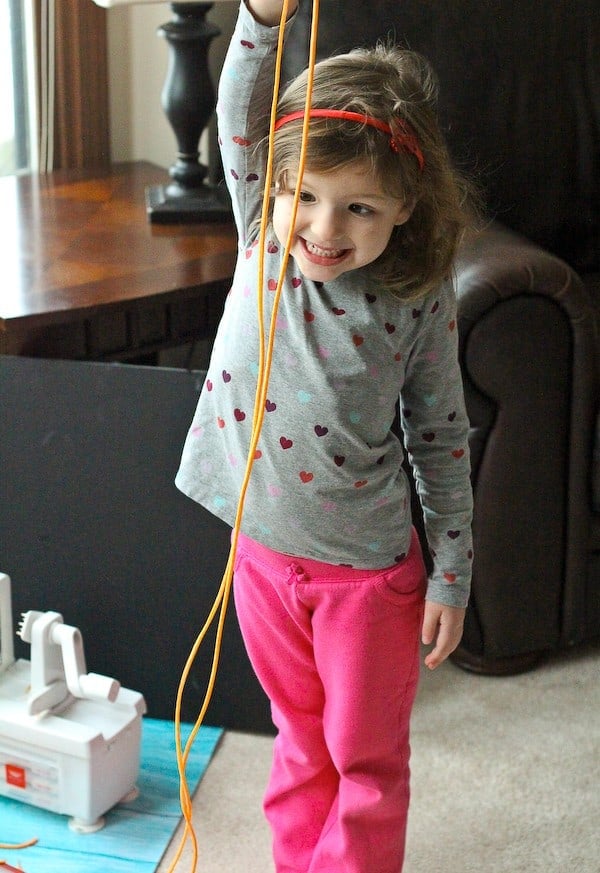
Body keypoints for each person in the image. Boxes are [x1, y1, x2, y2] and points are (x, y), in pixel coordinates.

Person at [176, 1, 475, 870]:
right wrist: (263, 17)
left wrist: (451, 572)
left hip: (367, 578)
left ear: (406, 206)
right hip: (263, 555)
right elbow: (241, 105)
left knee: (364, 756)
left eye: (359, 209)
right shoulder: (262, 240)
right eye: (302, 194)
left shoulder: (415, 299)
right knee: (298, 738)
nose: (322, 230)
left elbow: (443, 435)